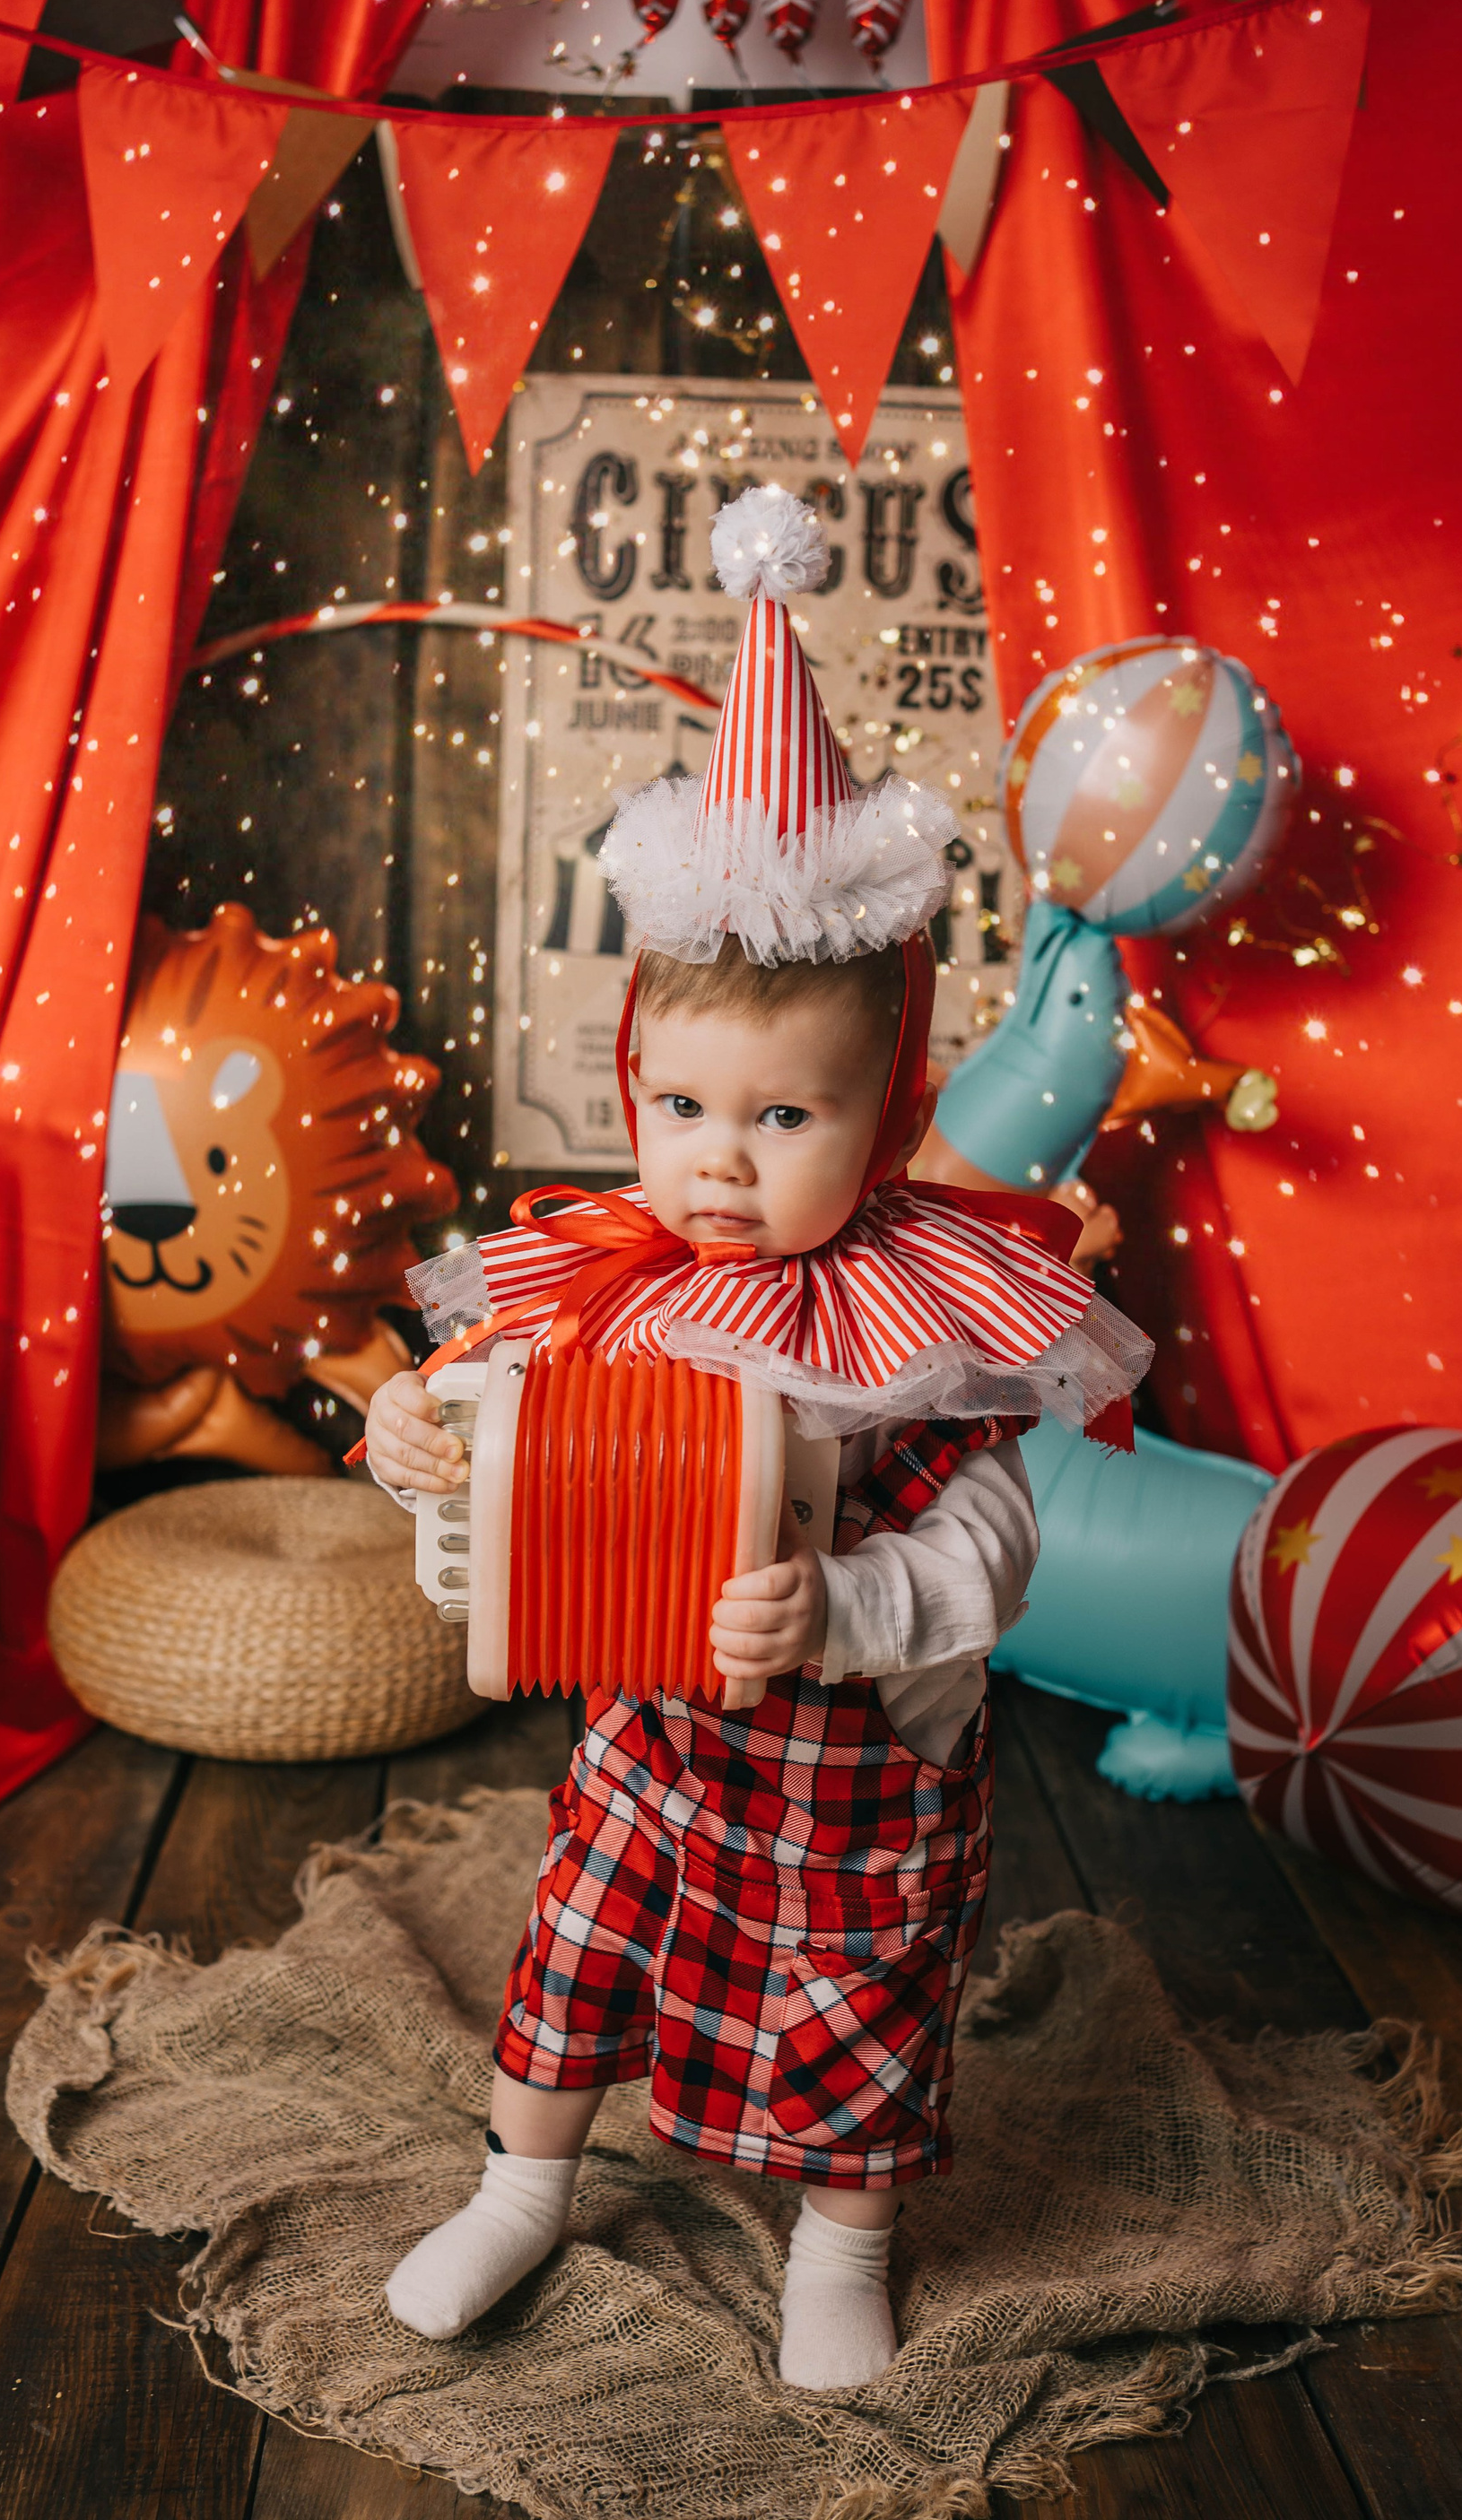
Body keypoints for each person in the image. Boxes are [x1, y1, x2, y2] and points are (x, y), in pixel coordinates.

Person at [364, 488, 1149, 2389]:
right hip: (650, 1741)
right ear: (637, 1082)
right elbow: (494, 1436)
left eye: (786, 1119)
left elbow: (995, 1550)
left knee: (856, 2016)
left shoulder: (930, 1320)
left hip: (858, 1769)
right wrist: (419, 1445)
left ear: (887, 1116)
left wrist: (852, 1607)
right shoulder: (613, 1273)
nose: (721, 1159)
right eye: (686, 1106)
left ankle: (842, 2249)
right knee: (577, 1948)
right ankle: (523, 2187)